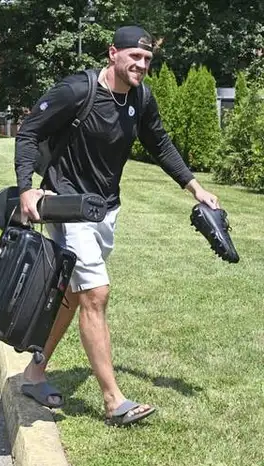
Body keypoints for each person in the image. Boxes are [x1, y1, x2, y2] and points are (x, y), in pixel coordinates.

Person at [13, 25, 220, 426]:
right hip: (68, 205)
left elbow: (160, 143)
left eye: (147, 59)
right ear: (113, 53)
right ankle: (114, 401)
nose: (141, 64)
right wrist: (26, 189)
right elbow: (28, 132)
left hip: (105, 210)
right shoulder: (78, 90)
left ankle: (34, 373)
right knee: (96, 294)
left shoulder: (140, 98)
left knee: (73, 296)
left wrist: (195, 188)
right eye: (134, 56)